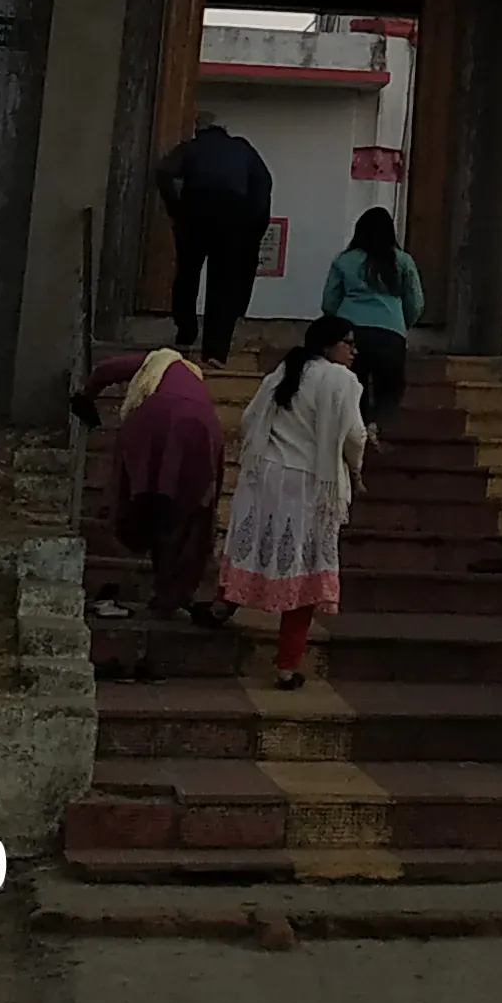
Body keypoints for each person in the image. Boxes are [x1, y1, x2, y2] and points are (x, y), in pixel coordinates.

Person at [214, 313, 369, 689]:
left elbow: (251, 419)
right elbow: (355, 436)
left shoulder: (285, 372)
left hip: (266, 476)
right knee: (305, 573)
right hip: (310, 485)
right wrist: (357, 470)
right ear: (329, 344)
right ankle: (286, 666)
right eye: (348, 342)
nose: (354, 351)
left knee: (252, 546)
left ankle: (224, 604)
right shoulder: (341, 381)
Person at [73, 344, 225, 641]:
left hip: (151, 422)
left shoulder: (156, 361)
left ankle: (118, 575)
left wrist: (87, 397)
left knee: (135, 498)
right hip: (203, 431)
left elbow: (105, 370)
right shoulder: (197, 387)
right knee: (188, 515)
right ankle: (171, 593)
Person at [151, 114, 272, 365]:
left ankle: (186, 331)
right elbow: (264, 182)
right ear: (223, 131)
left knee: (187, 272)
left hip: (195, 210)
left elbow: (163, 171)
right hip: (233, 215)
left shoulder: (190, 148)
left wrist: (176, 207)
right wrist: (253, 223)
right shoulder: (242, 148)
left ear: (200, 132)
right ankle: (216, 352)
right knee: (223, 284)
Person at [319, 208, 424, 430]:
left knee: (354, 386)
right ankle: (377, 425)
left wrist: (337, 325)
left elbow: (329, 302)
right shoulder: (403, 261)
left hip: (350, 333)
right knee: (391, 387)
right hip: (390, 334)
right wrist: (401, 324)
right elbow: (416, 303)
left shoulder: (344, 260)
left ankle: (356, 428)